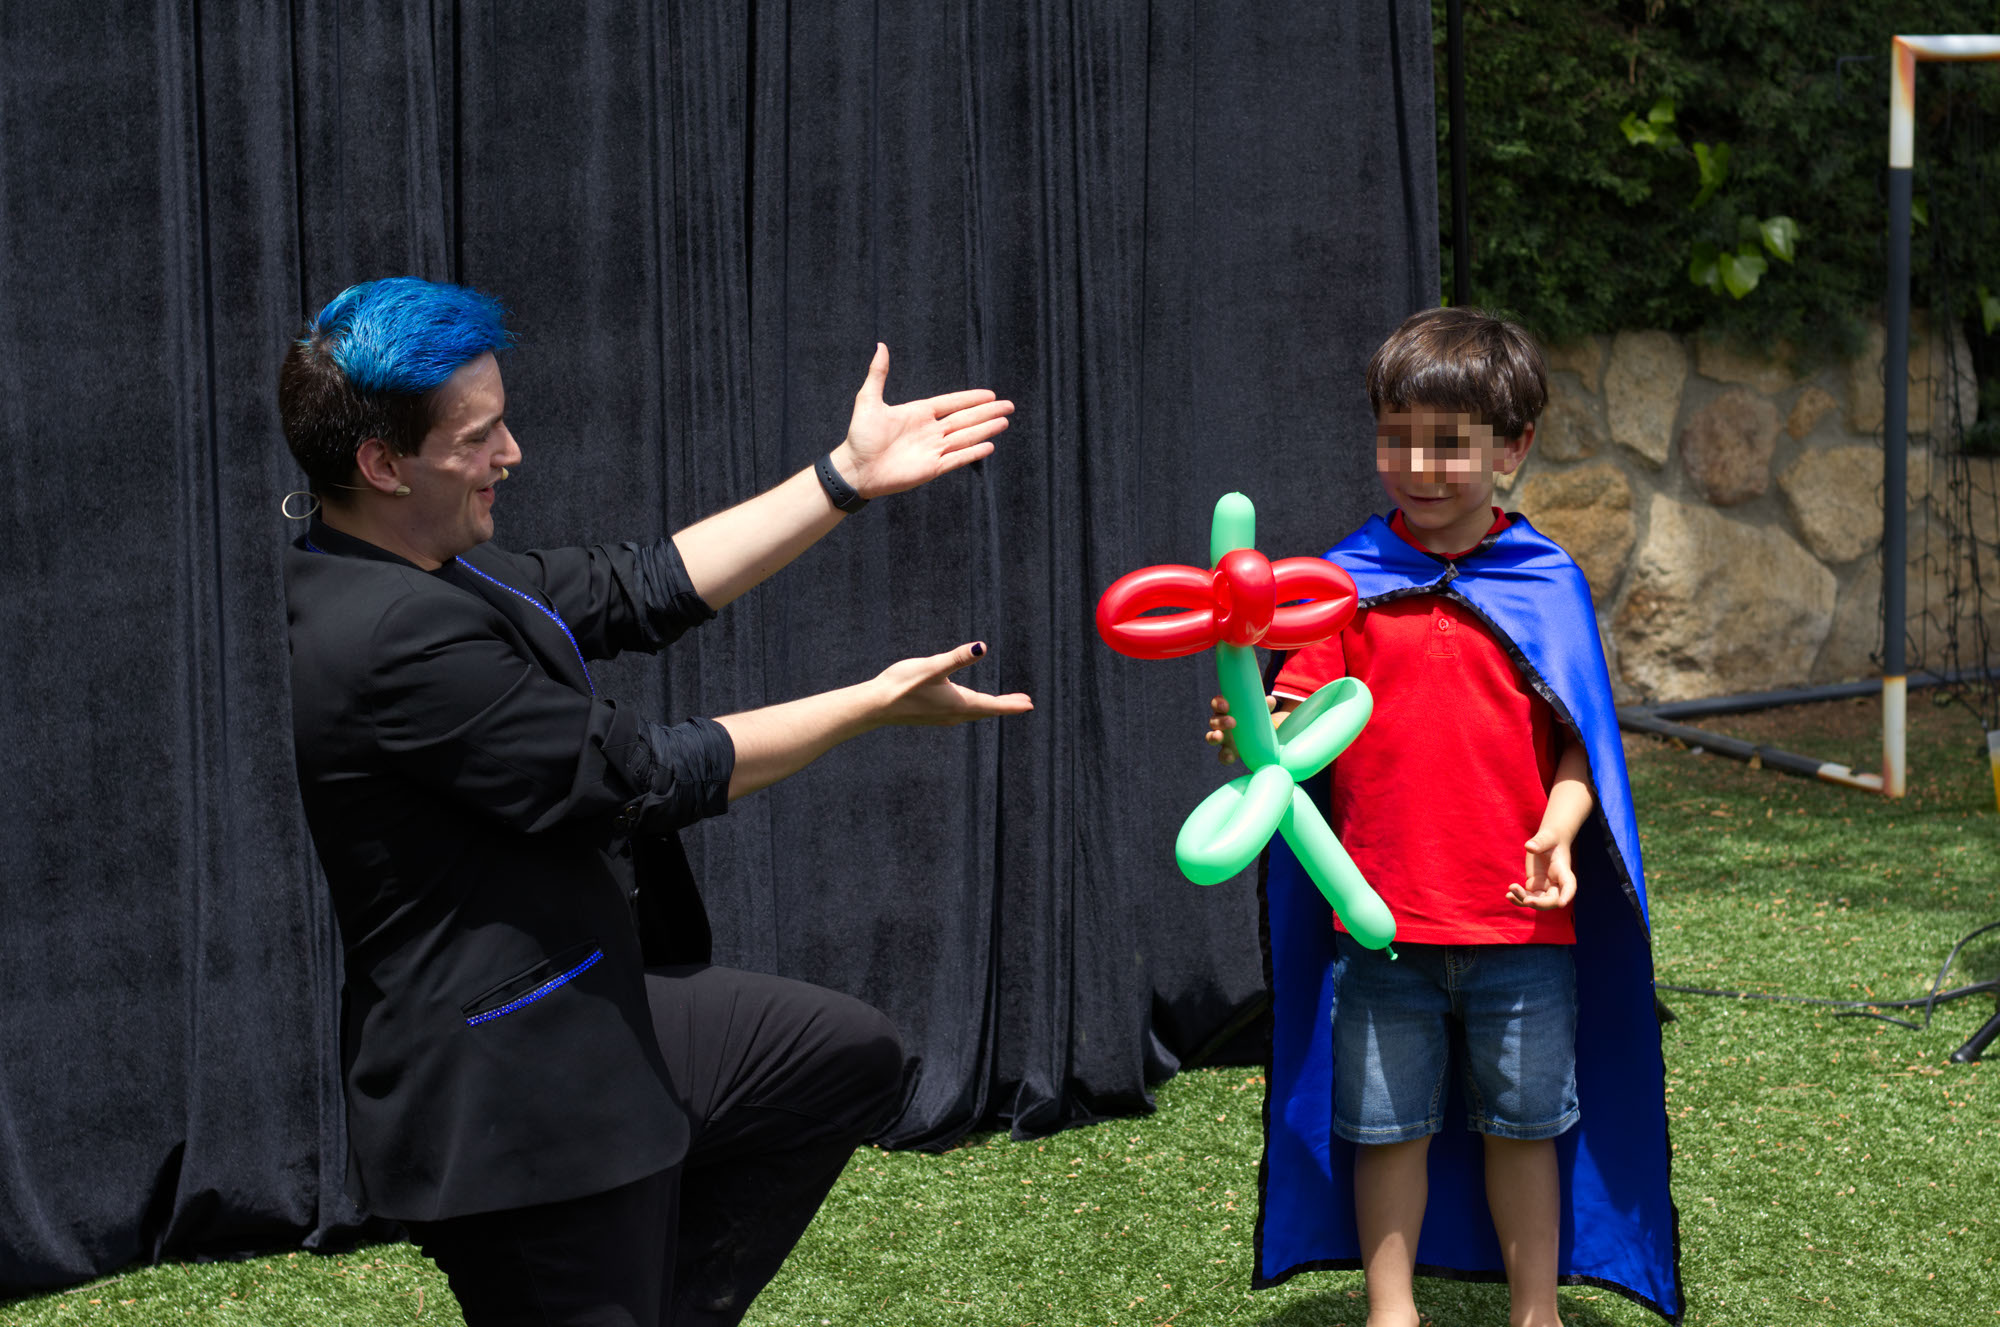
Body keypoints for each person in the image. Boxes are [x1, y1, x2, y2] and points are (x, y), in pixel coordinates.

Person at [278, 276, 1031, 1327]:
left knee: (842, 1057)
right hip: (510, 1094)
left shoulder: (430, 564)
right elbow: (641, 777)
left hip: (579, 1002)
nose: (511, 454)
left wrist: (844, 478)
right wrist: (869, 705)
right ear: (381, 464)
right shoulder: (389, 635)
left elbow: (639, 585)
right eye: (480, 437)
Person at [1207, 308, 1679, 1326]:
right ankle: (1392, 1310)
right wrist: (1250, 727)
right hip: (1379, 928)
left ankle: (1534, 1311)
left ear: (1511, 448)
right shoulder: (1340, 583)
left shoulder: (1545, 582)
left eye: (1448, 442)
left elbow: (1582, 745)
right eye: (1396, 436)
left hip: (1522, 929)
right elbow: (1291, 728)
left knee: (1526, 1127)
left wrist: (1560, 828)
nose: (1418, 466)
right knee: (1385, 1129)